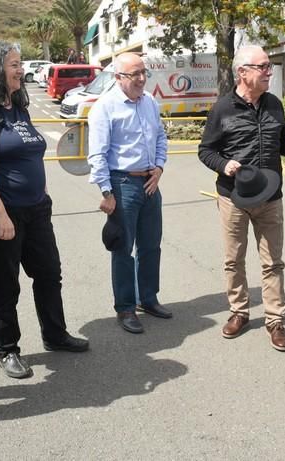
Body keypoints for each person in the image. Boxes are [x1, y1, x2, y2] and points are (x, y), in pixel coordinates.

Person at [0, 41, 89, 380]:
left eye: (19, 63)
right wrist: (0, 214)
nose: (20, 70)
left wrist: (41, 192)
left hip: (35, 209)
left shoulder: (17, 107)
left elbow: (30, 153)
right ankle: (7, 349)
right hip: (1, 213)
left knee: (48, 273)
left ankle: (55, 334)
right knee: (5, 284)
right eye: (14, 64)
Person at [198, 45, 285, 351]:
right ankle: (239, 312)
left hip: (271, 196)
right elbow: (205, 150)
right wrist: (223, 164)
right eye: (263, 67)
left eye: (270, 66)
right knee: (234, 260)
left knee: (273, 262)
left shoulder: (274, 105)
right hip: (233, 196)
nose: (270, 72)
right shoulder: (222, 109)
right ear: (242, 72)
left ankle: (275, 320)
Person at [87, 52, 170, 334]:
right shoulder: (105, 107)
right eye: (135, 74)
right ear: (118, 77)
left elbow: (160, 137)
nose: (142, 79)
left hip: (150, 182)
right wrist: (106, 191)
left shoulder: (150, 102)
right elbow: (97, 154)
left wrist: (159, 168)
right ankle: (125, 307)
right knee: (123, 249)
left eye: (143, 72)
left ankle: (148, 298)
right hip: (122, 184)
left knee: (151, 246)